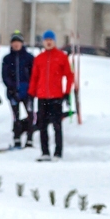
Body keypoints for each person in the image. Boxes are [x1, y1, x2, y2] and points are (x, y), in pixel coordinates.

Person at [28, 30, 74, 162]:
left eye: (51, 40)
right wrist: (31, 94)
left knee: (57, 126)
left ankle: (58, 153)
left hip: (56, 96)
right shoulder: (39, 58)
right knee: (42, 126)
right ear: (43, 42)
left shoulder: (61, 57)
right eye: (46, 40)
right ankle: (45, 152)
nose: (48, 42)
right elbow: (34, 78)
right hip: (42, 96)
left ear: (54, 41)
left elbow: (69, 76)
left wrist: (66, 92)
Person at [2, 31, 36, 149]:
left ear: (22, 43)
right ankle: (16, 138)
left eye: (18, 42)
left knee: (31, 115)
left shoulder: (29, 57)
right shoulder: (7, 58)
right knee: (16, 116)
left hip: (27, 92)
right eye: (14, 42)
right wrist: (11, 88)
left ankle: (29, 139)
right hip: (13, 92)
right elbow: (5, 75)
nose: (16, 45)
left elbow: (34, 75)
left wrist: (31, 89)